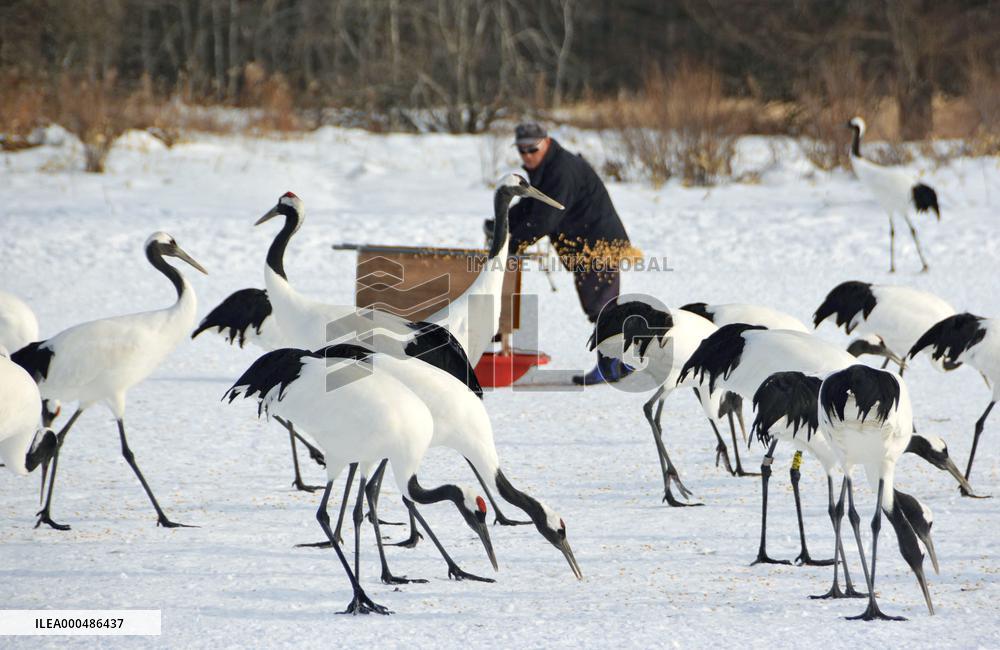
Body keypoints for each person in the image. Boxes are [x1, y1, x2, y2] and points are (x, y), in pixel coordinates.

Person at [499, 121, 634, 385]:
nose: (527, 155)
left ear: (546, 142)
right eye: (522, 150)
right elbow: (531, 205)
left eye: (532, 148)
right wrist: (502, 223)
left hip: (598, 245)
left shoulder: (561, 170)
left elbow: (544, 218)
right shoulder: (548, 168)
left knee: (601, 306)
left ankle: (612, 365)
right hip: (586, 245)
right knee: (599, 305)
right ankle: (621, 362)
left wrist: (511, 244)